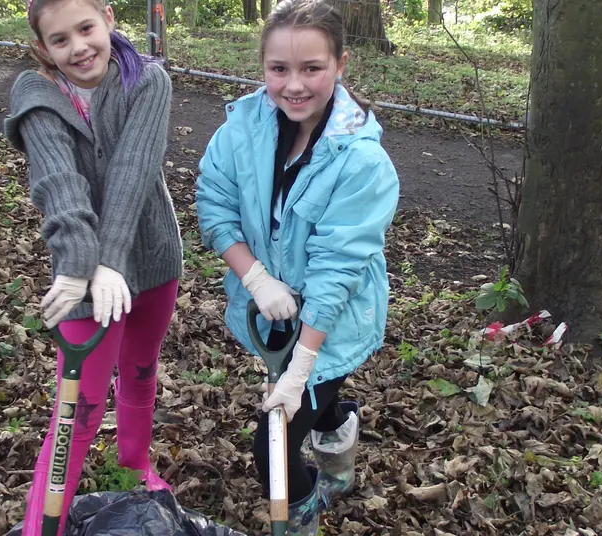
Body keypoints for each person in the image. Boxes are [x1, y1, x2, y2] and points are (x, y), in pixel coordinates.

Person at [195, 0, 399, 532]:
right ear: (262, 65)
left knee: (273, 449)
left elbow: (337, 268)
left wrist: (301, 365)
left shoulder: (361, 161)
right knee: (317, 403)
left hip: (332, 322)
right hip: (272, 313)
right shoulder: (243, 127)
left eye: (312, 68)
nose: (293, 85)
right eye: (278, 69)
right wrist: (254, 277)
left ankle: (303, 513)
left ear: (341, 64)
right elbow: (214, 203)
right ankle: (338, 424)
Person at [2, 0, 182, 532]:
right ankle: (44, 523)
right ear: (43, 48)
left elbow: (133, 170)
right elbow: (59, 183)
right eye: (61, 40)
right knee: (75, 409)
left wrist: (114, 262)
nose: (78, 47)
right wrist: (85, 266)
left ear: (108, 18)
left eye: (86, 28)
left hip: (151, 260)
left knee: (140, 370)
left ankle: (134, 463)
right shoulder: (35, 94)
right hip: (81, 278)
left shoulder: (147, 80)